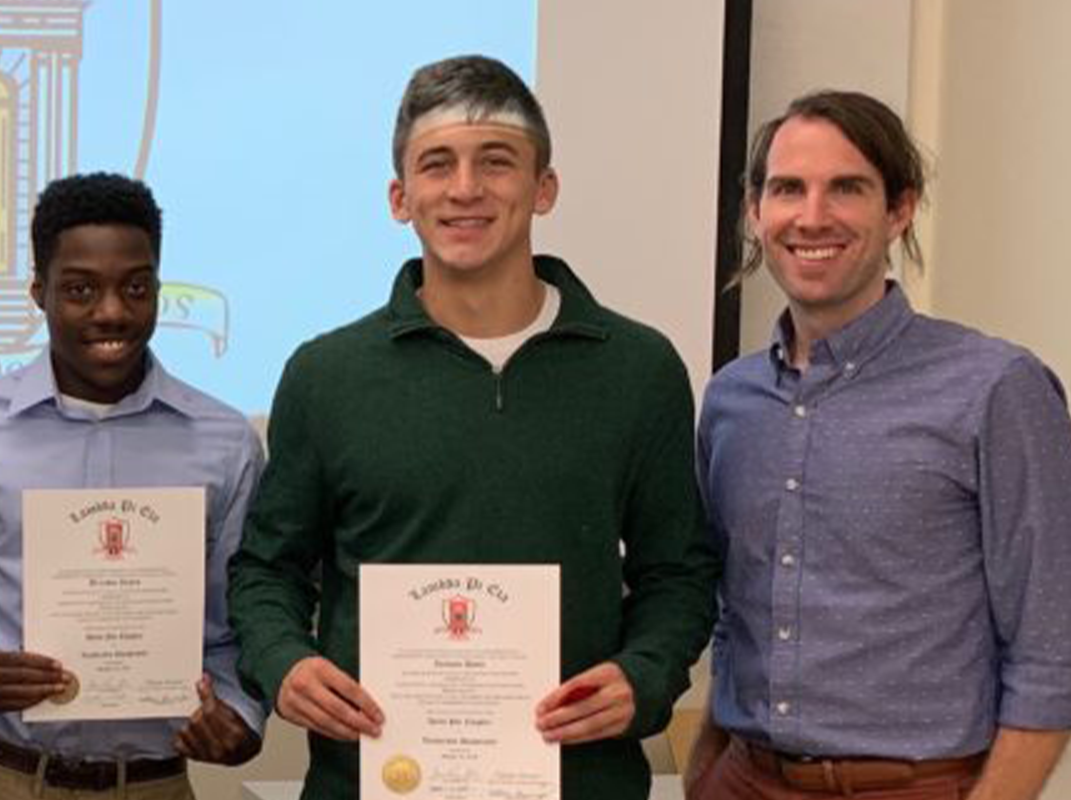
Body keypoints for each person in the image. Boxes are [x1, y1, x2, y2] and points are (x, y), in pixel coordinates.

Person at [227, 54, 718, 800]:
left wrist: (643, 675)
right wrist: (284, 661)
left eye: (497, 162)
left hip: (579, 782)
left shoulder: (640, 370)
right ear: (400, 197)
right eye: (437, 165)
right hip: (372, 781)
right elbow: (267, 569)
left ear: (543, 187)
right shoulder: (325, 374)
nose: (465, 189)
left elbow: (678, 574)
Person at [685, 90, 1071, 800]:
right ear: (754, 212)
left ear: (900, 209)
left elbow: (1060, 651)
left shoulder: (996, 388)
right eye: (789, 188)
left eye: (846, 188)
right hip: (742, 780)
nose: (813, 216)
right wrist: (705, 778)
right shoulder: (732, 401)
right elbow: (737, 621)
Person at [0, 172, 265, 799]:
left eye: (135, 287)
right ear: (38, 293)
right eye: (79, 289)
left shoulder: (225, 441)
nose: (112, 312)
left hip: (155, 783)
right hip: (6, 779)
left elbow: (235, 623)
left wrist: (239, 714)